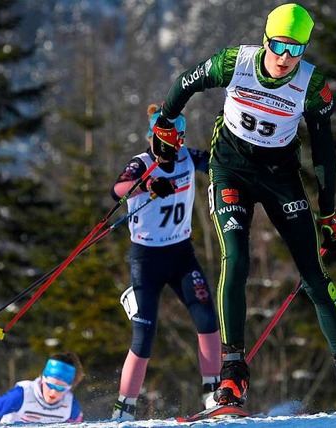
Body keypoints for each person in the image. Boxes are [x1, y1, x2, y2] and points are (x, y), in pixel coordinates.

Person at [152, 3, 336, 409]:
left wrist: (329, 210)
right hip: (230, 169)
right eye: (280, 46)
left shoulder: (312, 84)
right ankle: (232, 375)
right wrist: (166, 120)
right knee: (236, 260)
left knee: (313, 273)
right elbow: (185, 82)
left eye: (296, 49)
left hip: (280, 176)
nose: (286, 58)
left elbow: (324, 150)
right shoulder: (236, 62)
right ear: (267, 39)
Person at [110, 104, 222, 421]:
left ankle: (214, 393)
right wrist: (146, 184)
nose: (175, 144)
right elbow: (117, 189)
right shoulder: (141, 163)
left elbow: (218, 164)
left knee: (206, 317)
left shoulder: (187, 157)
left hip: (181, 253)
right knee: (144, 336)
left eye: (179, 137)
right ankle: (124, 407)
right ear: (153, 137)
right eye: (168, 137)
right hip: (146, 258)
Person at [0, 352, 84, 424]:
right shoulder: (23, 394)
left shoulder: (70, 405)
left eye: (61, 388)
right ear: (43, 378)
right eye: (50, 385)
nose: (53, 392)